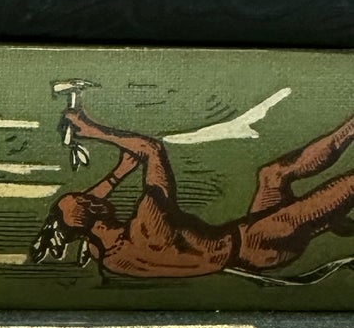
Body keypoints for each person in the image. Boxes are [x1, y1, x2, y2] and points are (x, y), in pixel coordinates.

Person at [31, 106, 354, 279]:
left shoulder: (107, 253)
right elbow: (152, 148)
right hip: (260, 240)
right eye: (91, 199)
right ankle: (328, 215)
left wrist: (120, 172)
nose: (96, 194)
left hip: (253, 248)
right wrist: (92, 129)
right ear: (97, 211)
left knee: (273, 175)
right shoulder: (148, 226)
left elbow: (80, 215)